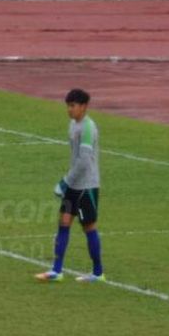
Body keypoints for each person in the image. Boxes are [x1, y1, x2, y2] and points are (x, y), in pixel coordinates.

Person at [36, 89, 105, 283]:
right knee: (64, 222)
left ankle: (98, 273)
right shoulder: (73, 125)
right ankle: (57, 271)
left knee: (89, 227)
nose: (69, 110)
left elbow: (84, 162)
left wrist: (66, 181)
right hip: (74, 185)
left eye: (73, 106)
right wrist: (69, 183)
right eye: (68, 106)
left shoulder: (88, 128)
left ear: (83, 106)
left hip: (86, 186)